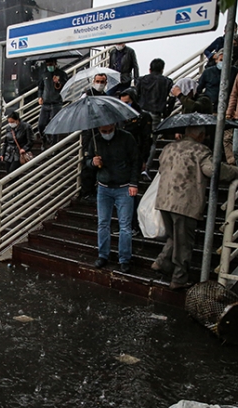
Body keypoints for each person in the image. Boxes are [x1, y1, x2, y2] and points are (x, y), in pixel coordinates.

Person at [153, 125, 238, 290]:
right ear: (201, 135)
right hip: (184, 202)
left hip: (164, 200)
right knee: (183, 243)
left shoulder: (168, 147)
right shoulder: (200, 150)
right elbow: (213, 170)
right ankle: (179, 279)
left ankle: (161, 261)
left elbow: (161, 168)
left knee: (174, 235)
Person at [86, 124, 140, 273]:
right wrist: (93, 162)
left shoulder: (127, 138)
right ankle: (103, 255)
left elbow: (136, 160)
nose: (107, 134)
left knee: (125, 225)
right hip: (104, 186)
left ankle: (125, 258)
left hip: (123, 186)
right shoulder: (95, 141)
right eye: (104, 131)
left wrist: (134, 183)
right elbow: (87, 161)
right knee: (103, 223)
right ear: (98, 130)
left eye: (109, 130)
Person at [119, 88, 152, 236]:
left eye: (128, 102)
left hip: (135, 159)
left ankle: (135, 224)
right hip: (120, 160)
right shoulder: (119, 117)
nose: (125, 105)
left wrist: (144, 159)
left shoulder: (143, 117)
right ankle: (126, 223)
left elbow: (146, 141)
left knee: (131, 193)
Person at [197, 50, 238, 164]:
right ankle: (210, 161)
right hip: (212, 110)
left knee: (227, 138)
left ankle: (231, 161)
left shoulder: (235, 72)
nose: (223, 63)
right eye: (221, 60)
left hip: (229, 110)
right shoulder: (208, 72)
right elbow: (199, 88)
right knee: (211, 137)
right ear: (216, 60)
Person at [135, 58, 175, 180]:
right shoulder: (167, 82)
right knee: (152, 142)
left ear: (150, 68)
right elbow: (172, 98)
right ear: (162, 69)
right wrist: (167, 112)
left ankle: (135, 167)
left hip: (141, 113)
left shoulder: (141, 80)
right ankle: (146, 168)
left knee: (138, 139)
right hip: (156, 113)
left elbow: (136, 95)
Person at [80, 74, 108, 200]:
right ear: (93, 81)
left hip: (101, 131)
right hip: (88, 132)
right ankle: (86, 191)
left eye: (102, 81)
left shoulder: (106, 97)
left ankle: (95, 189)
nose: (100, 84)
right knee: (88, 162)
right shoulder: (87, 95)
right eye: (97, 81)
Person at [37, 59, 68, 141]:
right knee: (41, 124)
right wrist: (40, 97)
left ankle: (54, 143)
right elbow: (40, 87)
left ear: (55, 64)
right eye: (47, 65)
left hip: (56, 103)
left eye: (50, 64)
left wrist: (58, 82)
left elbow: (65, 87)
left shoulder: (62, 74)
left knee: (54, 125)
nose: (49, 66)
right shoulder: (44, 74)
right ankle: (44, 139)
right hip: (46, 103)